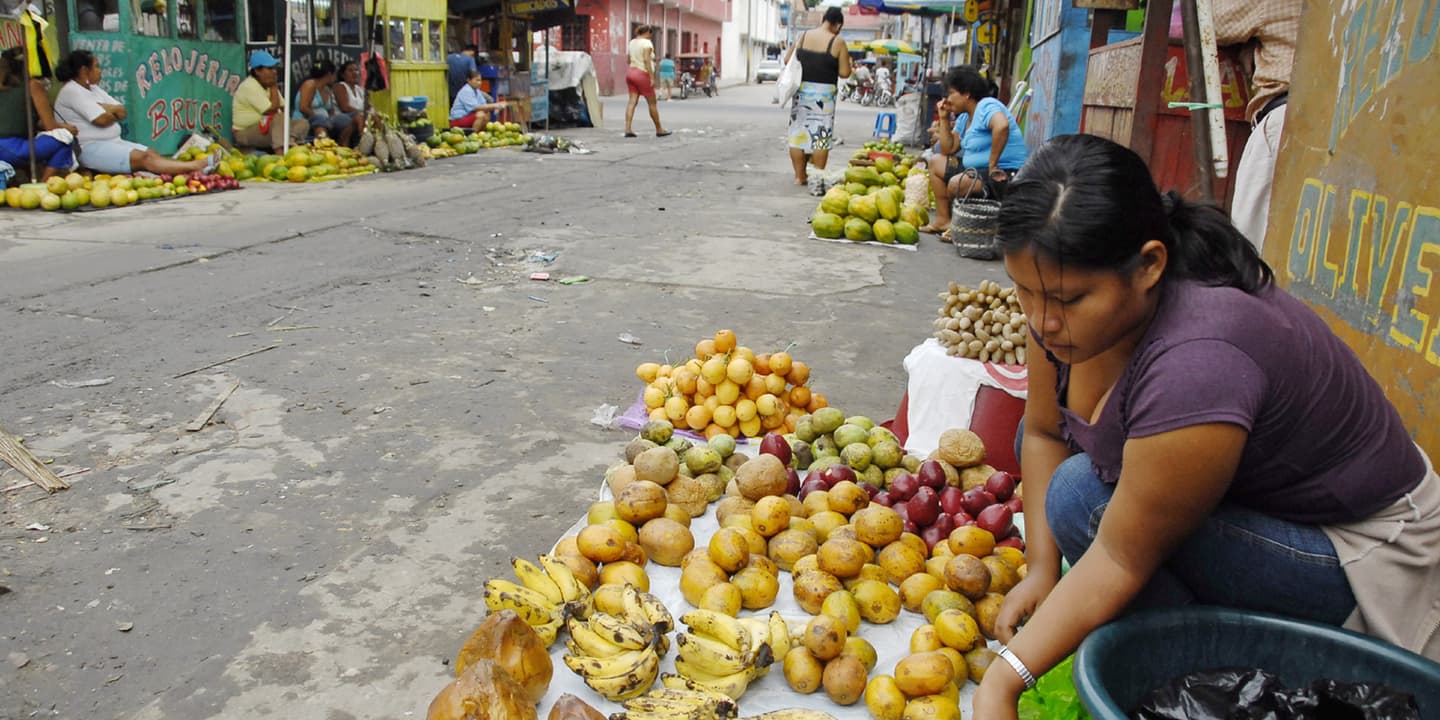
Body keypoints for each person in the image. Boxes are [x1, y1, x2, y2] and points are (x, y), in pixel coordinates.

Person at [969, 133, 1440, 719]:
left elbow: (1120, 556)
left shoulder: (1201, 359)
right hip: (1258, 513)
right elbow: (1040, 432)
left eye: (1067, 299)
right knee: (1055, 467)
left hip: (1363, 553)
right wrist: (1042, 569)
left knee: (1081, 498)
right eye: (1026, 292)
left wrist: (1004, 681)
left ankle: (1188, 666)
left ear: (1148, 265)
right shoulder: (1060, 307)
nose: (1042, 321)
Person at [1213, 0, 1300, 252]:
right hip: (1347, 122)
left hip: (1285, 118)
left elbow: (1206, 22)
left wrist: (1247, 41)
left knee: (1250, 247)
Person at [52, 50, 216, 176]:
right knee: (144, 159)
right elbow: (101, 120)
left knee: (151, 152)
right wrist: (108, 110)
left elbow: (122, 111)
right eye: (96, 66)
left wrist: (105, 108)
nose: (100, 71)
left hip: (114, 142)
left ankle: (190, 170)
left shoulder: (94, 89)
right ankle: (196, 166)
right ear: (84, 71)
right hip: (89, 148)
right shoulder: (72, 90)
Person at [920, 66, 1027, 234]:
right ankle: (943, 221)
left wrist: (993, 165)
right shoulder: (964, 117)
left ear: (966, 93)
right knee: (936, 162)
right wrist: (944, 118)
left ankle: (971, 226)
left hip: (1004, 174)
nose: (946, 99)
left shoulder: (986, 105)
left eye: (951, 93)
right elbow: (948, 149)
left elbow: (1002, 125)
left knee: (958, 183)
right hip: (977, 171)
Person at [783, 7, 852, 185]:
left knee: (798, 134)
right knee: (820, 137)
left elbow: (786, 60)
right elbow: (845, 72)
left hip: (802, 91)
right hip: (824, 96)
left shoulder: (804, 36)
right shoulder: (837, 42)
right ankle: (817, 178)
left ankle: (799, 177)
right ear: (837, 25)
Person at [0, 47, 77, 182]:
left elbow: (30, 120)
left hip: (9, 146)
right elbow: (50, 126)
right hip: (12, 148)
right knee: (66, 139)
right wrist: (66, 128)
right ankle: (43, 184)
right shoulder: (33, 85)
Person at [232, 50, 309, 152]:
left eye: (274, 68)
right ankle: (281, 153)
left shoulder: (267, 84)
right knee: (278, 117)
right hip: (244, 133)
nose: (274, 71)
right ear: (257, 71)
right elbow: (272, 110)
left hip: (268, 128)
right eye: (270, 68)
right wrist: (273, 86)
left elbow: (283, 107)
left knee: (303, 122)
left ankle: (290, 141)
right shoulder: (249, 85)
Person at [623, 25, 670, 138]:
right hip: (642, 74)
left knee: (632, 102)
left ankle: (628, 129)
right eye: (651, 34)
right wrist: (652, 77)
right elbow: (646, 59)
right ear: (648, 32)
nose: (651, 36)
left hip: (630, 73)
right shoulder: (647, 43)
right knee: (652, 103)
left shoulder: (632, 42)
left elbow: (628, 60)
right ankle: (659, 129)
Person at [294, 59, 353, 146]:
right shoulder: (310, 84)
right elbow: (303, 107)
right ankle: (323, 146)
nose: (335, 78)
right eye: (334, 74)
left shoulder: (327, 89)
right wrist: (318, 117)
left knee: (347, 119)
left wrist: (331, 119)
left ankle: (344, 147)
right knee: (320, 120)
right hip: (306, 119)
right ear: (329, 74)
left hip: (326, 120)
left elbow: (331, 111)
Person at [333, 60, 365, 146]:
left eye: (356, 70)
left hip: (358, 116)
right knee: (359, 117)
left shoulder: (359, 89)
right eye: (350, 70)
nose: (354, 73)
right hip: (341, 116)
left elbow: (368, 106)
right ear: (343, 75)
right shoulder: (340, 86)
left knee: (375, 116)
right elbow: (344, 107)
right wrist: (361, 113)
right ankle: (363, 143)